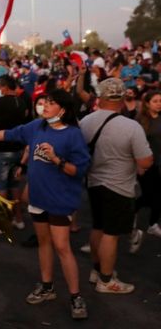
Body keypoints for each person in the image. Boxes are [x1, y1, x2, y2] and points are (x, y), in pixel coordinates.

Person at [0, 89, 91, 320]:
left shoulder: (73, 135)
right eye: (44, 102)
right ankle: (47, 286)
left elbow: (79, 170)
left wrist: (57, 159)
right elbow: (8, 134)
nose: (44, 106)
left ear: (63, 110)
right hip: (38, 198)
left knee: (62, 246)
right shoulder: (36, 126)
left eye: (51, 103)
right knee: (44, 243)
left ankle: (76, 296)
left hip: (60, 200)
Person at [79, 78, 153, 294]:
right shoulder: (131, 126)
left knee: (98, 227)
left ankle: (96, 270)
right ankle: (106, 279)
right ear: (122, 99)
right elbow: (145, 161)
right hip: (119, 186)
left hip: (93, 182)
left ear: (99, 97)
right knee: (111, 233)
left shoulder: (86, 121)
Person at [0, 75, 30, 233]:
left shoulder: (0, 101)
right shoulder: (21, 102)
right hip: (18, 149)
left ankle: (2, 223)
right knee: (15, 185)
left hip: (2, 149)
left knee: (1, 186)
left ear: (4, 87)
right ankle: (18, 219)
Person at [135, 90, 161, 238]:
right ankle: (130, 212)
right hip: (146, 163)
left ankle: (152, 224)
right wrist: (138, 165)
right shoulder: (141, 120)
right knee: (148, 195)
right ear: (147, 103)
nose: (159, 104)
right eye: (155, 101)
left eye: (160, 101)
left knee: (158, 196)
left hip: (159, 163)